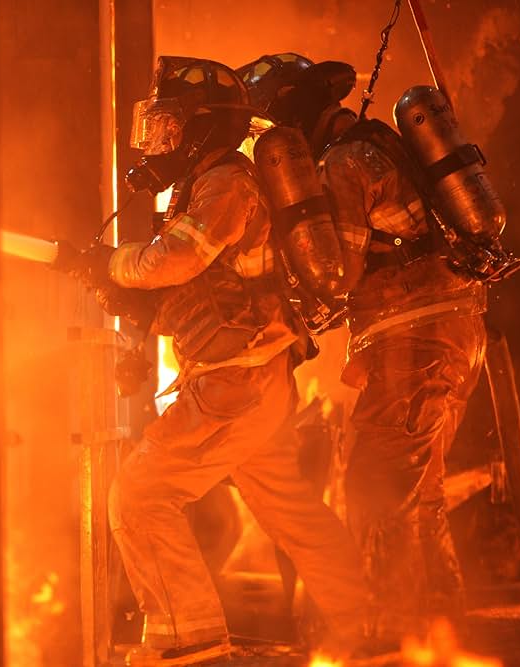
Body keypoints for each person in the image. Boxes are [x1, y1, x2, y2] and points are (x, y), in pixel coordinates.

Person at [56, 56, 367, 666]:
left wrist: (114, 265)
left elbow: (175, 260)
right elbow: (207, 289)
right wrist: (137, 304)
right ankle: (370, 624)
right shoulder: (206, 185)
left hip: (237, 382)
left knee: (140, 497)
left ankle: (188, 638)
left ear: (203, 129)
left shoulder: (228, 183)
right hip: (253, 376)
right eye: (156, 129)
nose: (158, 143)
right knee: (292, 512)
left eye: (170, 129)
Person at [238, 53, 489, 641]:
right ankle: (439, 629)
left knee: (376, 489)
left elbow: (341, 274)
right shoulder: (381, 144)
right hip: (451, 331)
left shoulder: (343, 166)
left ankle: (390, 635)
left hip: (415, 342)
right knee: (419, 494)